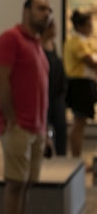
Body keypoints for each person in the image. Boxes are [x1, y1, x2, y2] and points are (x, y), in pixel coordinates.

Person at [0, 0, 52, 214]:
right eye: (41, 8)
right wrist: (11, 119)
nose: (47, 13)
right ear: (26, 10)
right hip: (19, 126)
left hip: (36, 127)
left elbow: (41, 91)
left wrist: (45, 129)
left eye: (49, 9)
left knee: (26, 184)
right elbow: (1, 81)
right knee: (15, 183)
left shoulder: (38, 45)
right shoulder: (10, 39)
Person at [62, 9, 97, 158]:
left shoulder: (85, 41)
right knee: (78, 122)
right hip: (79, 85)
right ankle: (76, 158)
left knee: (81, 123)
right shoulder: (76, 43)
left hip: (87, 84)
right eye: (89, 25)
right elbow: (91, 62)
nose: (92, 28)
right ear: (80, 26)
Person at [41, 18, 67, 157]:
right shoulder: (39, 46)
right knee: (43, 126)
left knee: (61, 126)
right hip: (45, 93)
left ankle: (61, 156)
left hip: (57, 93)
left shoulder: (53, 45)